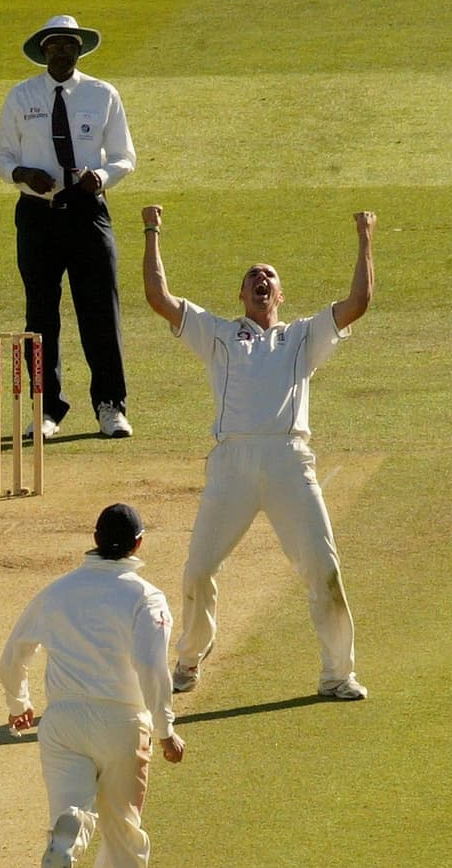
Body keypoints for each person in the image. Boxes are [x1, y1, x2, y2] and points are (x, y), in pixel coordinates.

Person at [141, 204, 376, 701]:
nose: (260, 279)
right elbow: (159, 297)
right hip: (233, 464)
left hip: (290, 462)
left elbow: (359, 302)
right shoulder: (219, 334)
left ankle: (338, 674)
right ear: (241, 295)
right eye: (252, 276)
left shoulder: (302, 336)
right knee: (198, 570)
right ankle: (188, 660)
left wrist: (365, 237)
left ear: (280, 294)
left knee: (324, 569)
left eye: (268, 275)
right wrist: (151, 229)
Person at [0, 504, 184, 868]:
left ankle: (73, 828)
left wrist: (18, 702)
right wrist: (165, 729)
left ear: (95, 539)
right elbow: (151, 666)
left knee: (73, 806)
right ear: (139, 544)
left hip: (62, 722)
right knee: (123, 833)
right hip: (122, 723)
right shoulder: (146, 596)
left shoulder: (57, 591)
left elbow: (14, 652)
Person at [0, 14, 138, 441]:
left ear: (79, 50)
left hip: (87, 211)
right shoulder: (22, 96)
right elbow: (0, 157)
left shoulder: (102, 94)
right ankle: (46, 408)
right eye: (54, 45)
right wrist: (23, 174)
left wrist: (101, 177)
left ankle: (111, 406)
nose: (62, 51)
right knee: (40, 315)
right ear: (43, 51)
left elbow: (125, 156)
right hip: (37, 213)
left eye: (70, 45)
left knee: (100, 311)